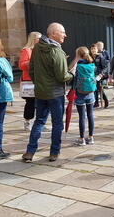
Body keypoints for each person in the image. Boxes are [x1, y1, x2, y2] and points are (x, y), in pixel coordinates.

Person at [22, 22, 74, 162]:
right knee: (57, 123)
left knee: (39, 121)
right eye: (62, 32)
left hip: (40, 92)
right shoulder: (56, 51)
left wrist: (39, 83)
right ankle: (54, 152)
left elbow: (31, 69)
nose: (65, 35)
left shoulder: (37, 47)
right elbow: (62, 76)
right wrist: (72, 75)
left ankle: (30, 152)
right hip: (55, 94)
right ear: (53, 33)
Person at [70, 47, 96, 146]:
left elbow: (69, 70)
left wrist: (76, 59)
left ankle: (82, 139)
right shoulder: (91, 64)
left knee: (82, 116)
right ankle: (91, 137)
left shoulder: (78, 65)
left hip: (80, 93)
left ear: (78, 55)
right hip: (90, 92)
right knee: (90, 115)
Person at [19, 32, 42, 131]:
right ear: (33, 39)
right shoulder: (26, 50)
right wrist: (32, 61)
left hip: (40, 80)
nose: (40, 40)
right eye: (38, 38)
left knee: (41, 102)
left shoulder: (41, 50)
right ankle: (27, 121)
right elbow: (21, 65)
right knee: (31, 103)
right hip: (29, 81)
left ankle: (40, 122)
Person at [90, 44, 109, 108]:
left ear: (97, 50)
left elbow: (105, 67)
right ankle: (96, 103)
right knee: (94, 88)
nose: (93, 50)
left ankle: (105, 100)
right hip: (92, 75)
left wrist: (101, 74)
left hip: (99, 75)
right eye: (92, 49)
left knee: (99, 88)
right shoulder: (89, 57)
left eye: (94, 49)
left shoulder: (100, 56)